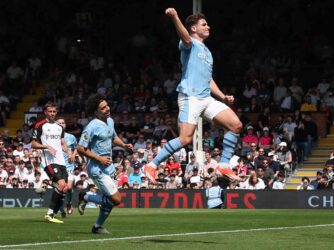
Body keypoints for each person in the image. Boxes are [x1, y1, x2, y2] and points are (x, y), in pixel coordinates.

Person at [144, 8, 242, 183]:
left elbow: (208, 78)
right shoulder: (188, 44)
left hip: (206, 99)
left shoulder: (207, 52)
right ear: (194, 28)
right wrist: (175, 17)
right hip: (191, 97)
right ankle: (152, 165)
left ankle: (224, 164)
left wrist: (222, 97)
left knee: (235, 125)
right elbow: (185, 37)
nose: (208, 27)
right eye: (204, 24)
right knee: (185, 139)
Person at [76, 93, 133, 234]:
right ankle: (85, 196)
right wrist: (99, 158)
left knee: (110, 201)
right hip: (96, 168)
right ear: (96, 111)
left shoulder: (110, 121)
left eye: (107, 106)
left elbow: (113, 137)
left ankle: (97, 227)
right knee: (116, 199)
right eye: (103, 108)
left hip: (109, 166)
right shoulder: (91, 127)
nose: (107, 109)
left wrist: (124, 145)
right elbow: (80, 148)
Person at [31, 102, 69, 224]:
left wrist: (69, 152)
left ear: (56, 112)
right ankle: (50, 214)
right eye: (50, 111)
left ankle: (53, 213)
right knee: (61, 184)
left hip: (61, 161)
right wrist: (46, 147)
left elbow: (62, 143)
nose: (52, 113)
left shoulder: (60, 127)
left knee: (65, 188)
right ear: (45, 112)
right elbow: (33, 144)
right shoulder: (40, 125)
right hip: (50, 161)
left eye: (54, 111)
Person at [56, 117, 78, 216]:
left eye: (63, 123)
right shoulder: (53, 138)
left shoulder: (71, 137)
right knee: (60, 189)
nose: (61, 124)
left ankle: (69, 203)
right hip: (58, 166)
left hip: (69, 166)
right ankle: (61, 210)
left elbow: (77, 148)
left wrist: (73, 155)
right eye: (59, 123)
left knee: (68, 188)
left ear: (65, 125)